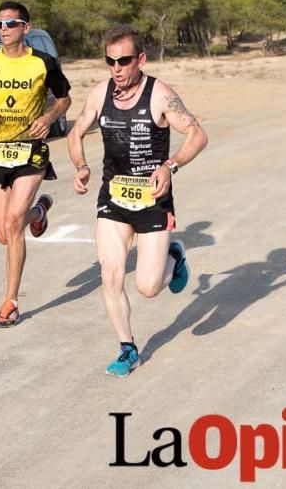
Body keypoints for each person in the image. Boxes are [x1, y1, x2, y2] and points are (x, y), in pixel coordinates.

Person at [67, 25, 208, 377]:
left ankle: (175, 257)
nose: (116, 68)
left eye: (124, 60)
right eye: (110, 61)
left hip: (152, 201)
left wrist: (170, 165)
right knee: (110, 275)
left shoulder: (160, 95)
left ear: (140, 59)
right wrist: (82, 166)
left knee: (147, 287)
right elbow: (76, 131)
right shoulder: (101, 95)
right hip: (112, 199)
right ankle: (127, 348)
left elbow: (197, 134)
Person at [0, 1, 72, 328]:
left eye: (11, 23)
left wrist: (50, 116)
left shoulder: (43, 62)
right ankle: (37, 213)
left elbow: (65, 97)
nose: (4, 29)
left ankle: (10, 302)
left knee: (13, 225)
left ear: (26, 27)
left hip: (31, 148)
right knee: (2, 233)